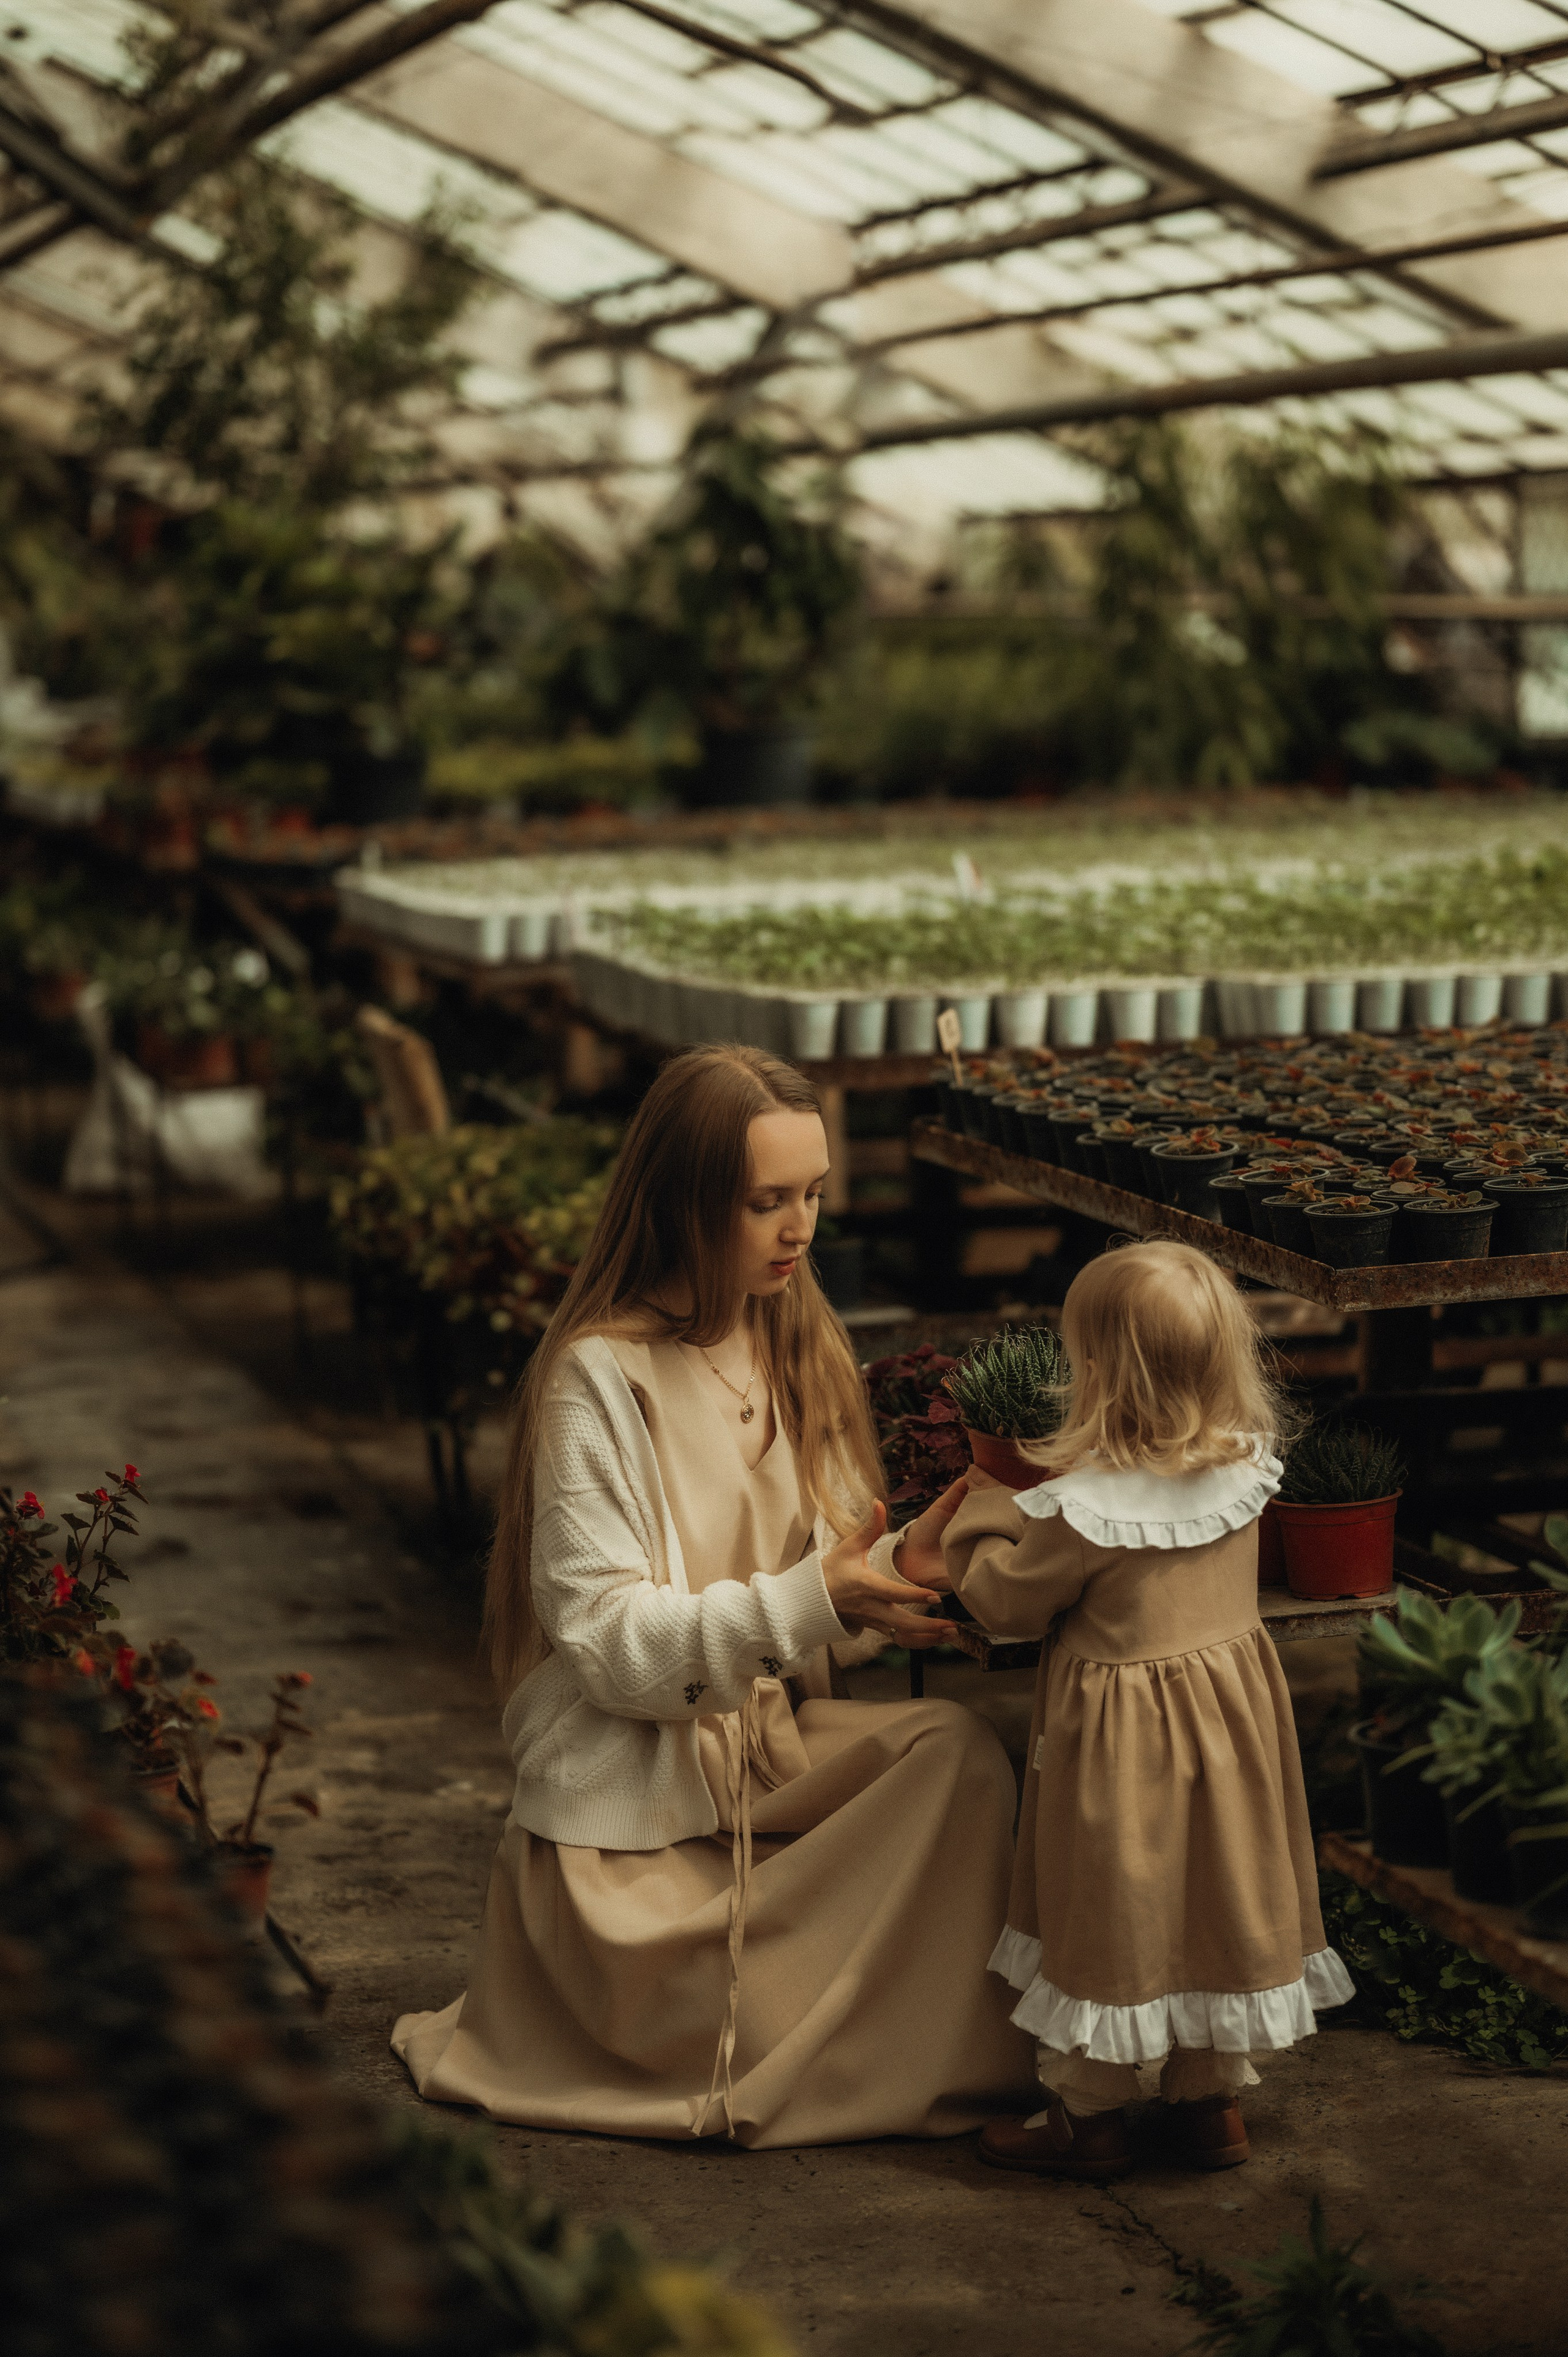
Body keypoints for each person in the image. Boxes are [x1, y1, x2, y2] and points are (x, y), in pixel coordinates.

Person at [393, 1043, 1032, 2146]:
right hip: (636, 1822)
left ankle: (859, 2031)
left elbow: (829, 1590)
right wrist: (813, 1603)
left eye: (816, 1196)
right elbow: (608, 1644)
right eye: (766, 1202)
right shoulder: (597, 1378)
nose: (801, 1230)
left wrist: (898, 1577)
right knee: (772, 1998)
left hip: (763, 1761)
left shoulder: (795, 1338)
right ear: (684, 1200)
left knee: (959, 1759)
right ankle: (803, 2034)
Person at [936, 1238, 1354, 2182]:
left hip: (1122, 1754)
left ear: (1100, 1374)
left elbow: (1004, 1602)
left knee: (1113, 1911)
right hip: (1231, 1738)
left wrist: (981, 1516)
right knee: (1214, 1898)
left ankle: (1088, 2118)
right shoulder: (1245, 1471)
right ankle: (1211, 2105)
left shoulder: (1082, 1511)